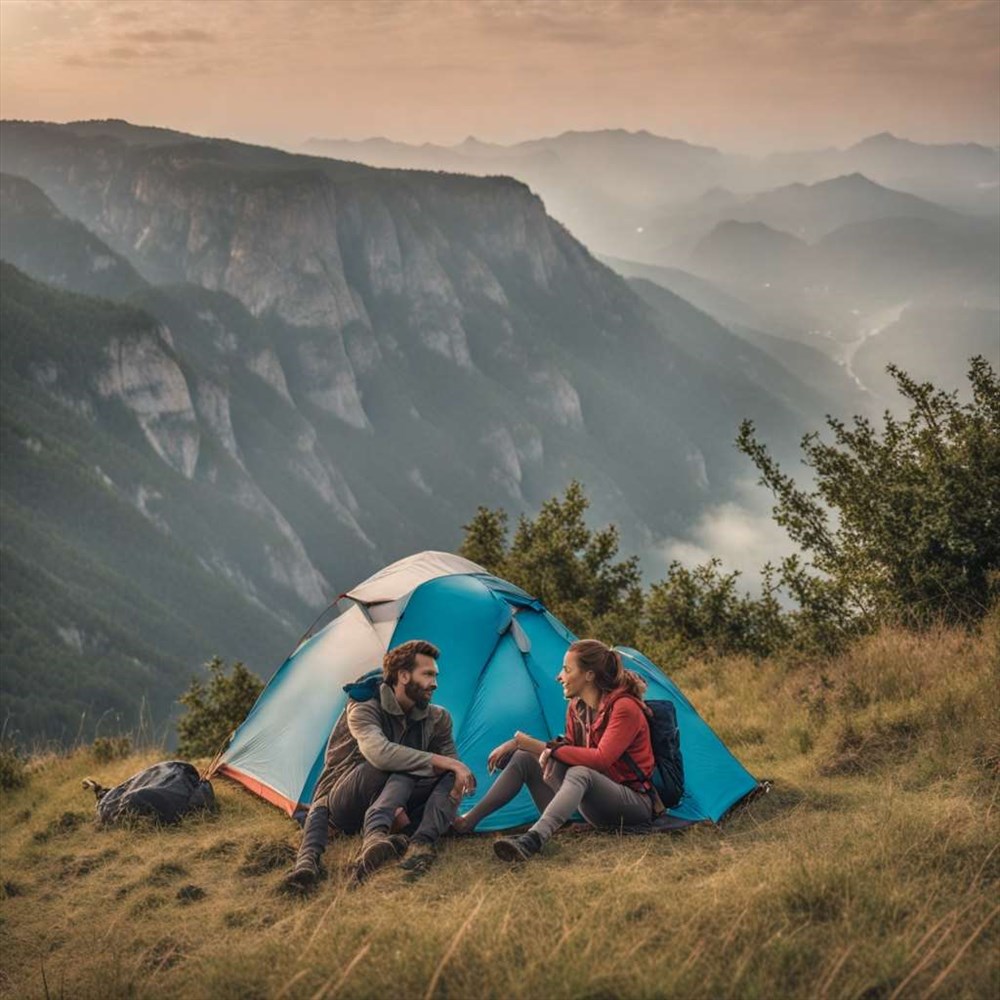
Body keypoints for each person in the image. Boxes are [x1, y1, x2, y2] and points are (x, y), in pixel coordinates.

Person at [283, 639, 475, 890]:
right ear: (404, 675)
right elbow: (380, 754)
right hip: (344, 800)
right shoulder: (363, 707)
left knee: (446, 772)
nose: (435, 683)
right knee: (396, 762)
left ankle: (420, 844)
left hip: (398, 798)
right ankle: (372, 837)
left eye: (435, 675)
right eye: (428, 674)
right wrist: (440, 761)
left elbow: (454, 765)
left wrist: (454, 787)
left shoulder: (437, 718)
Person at [454, 638, 659, 860]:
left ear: (589, 674)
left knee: (579, 772)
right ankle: (466, 822)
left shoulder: (624, 708)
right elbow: (568, 749)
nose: (559, 676)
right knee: (524, 758)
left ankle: (532, 841)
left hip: (632, 804)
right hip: (592, 805)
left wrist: (538, 746)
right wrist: (522, 746)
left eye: (567, 669)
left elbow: (601, 759)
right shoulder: (577, 707)